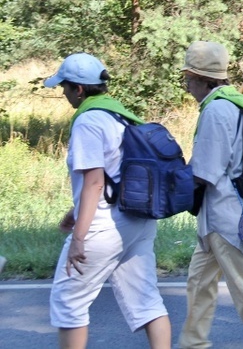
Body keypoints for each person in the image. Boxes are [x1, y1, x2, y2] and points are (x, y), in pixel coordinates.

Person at [44, 53, 171, 348]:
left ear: (79, 89)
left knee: (68, 301)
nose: (62, 92)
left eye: (65, 86)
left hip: (105, 225)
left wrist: (79, 236)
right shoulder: (120, 115)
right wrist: (75, 211)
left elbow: (95, 182)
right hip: (137, 220)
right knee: (146, 301)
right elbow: (117, 174)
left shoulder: (88, 121)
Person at [178, 41, 243, 349]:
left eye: (189, 78)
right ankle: (192, 343)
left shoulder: (216, 110)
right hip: (217, 219)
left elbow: (205, 172)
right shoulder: (235, 102)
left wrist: (171, 183)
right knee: (199, 284)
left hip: (224, 218)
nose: (187, 84)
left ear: (201, 79)